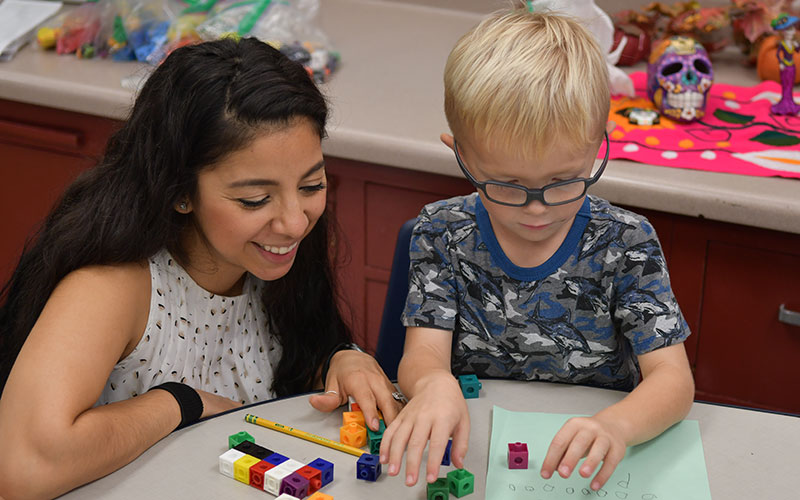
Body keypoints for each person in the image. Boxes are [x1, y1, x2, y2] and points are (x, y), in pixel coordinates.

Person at [0, 38, 398, 499]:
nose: (294, 222)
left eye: (312, 185)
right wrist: (179, 403)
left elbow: (287, 369)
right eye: (255, 199)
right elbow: (20, 468)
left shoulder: (268, 259)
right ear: (180, 192)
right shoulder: (113, 287)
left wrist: (339, 359)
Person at [379, 7, 695, 491]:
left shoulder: (627, 241)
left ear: (597, 145)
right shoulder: (441, 232)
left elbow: (673, 382)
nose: (537, 208)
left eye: (563, 180)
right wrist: (432, 383)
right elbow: (423, 353)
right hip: (478, 451)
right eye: (507, 184)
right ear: (461, 153)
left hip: (594, 454)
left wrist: (618, 425)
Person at [770, 13, 800, 115]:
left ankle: (790, 103)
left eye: (793, 29)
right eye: (789, 29)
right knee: (785, 85)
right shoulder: (782, 44)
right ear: (784, 32)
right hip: (785, 67)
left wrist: (797, 46)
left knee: (790, 85)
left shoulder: (793, 43)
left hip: (792, 67)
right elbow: (778, 54)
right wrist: (781, 62)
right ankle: (784, 104)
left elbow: (797, 51)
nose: (792, 31)